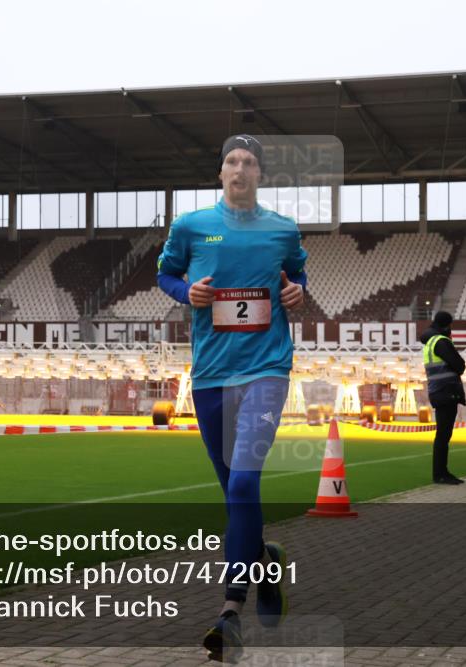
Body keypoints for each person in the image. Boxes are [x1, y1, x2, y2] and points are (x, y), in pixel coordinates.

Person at [157, 133, 307, 661]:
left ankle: (229, 612)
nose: (239, 168)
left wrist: (296, 292)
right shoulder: (191, 226)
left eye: (248, 162)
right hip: (212, 377)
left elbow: (298, 275)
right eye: (230, 161)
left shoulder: (282, 229)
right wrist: (186, 292)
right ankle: (265, 559)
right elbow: (166, 273)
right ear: (220, 173)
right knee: (234, 495)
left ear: (259, 175)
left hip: (267, 369)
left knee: (244, 481)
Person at [420, 311, 466, 484]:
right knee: (443, 435)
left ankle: (441, 472)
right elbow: (460, 365)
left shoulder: (430, 342)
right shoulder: (441, 342)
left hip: (438, 391)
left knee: (443, 434)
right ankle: (440, 474)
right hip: (446, 391)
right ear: (447, 325)